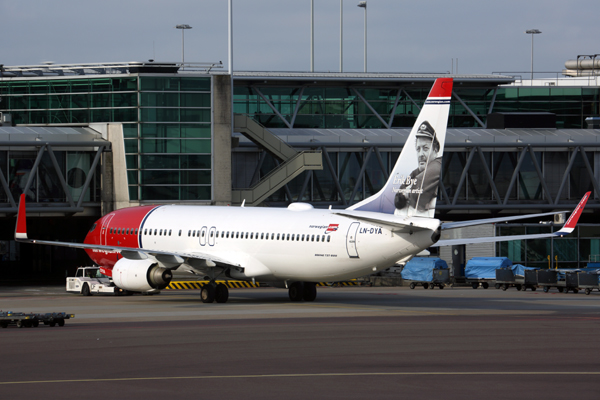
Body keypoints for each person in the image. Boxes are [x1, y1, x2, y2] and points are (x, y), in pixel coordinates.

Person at [394, 120, 442, 217]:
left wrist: (407, 193)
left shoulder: (438, 164)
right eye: (418, 149)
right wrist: (405, 194)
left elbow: (417, 193)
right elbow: (397, 199)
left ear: (435, 150)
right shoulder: (416, 172)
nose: (421, 154)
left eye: (425, 149)